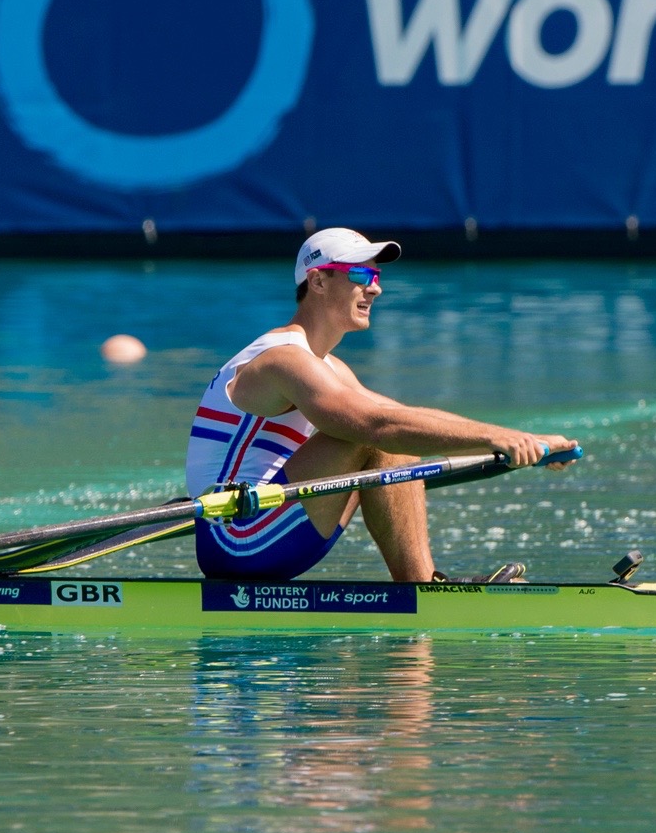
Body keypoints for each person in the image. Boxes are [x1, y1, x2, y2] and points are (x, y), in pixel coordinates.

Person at [186, 228, 577, 583]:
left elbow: (407, 419)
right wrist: (497, 437)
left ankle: (422, 586)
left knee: (396, 430)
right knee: (376, 434)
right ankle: (420, 589)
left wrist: (522, 441)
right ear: (318, 280)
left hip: (273, 528)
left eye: (376, 277)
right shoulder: (282, 359)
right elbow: (379, 426)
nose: (375, 289)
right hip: (235, 537)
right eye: (360, 275)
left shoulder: (329, 368)